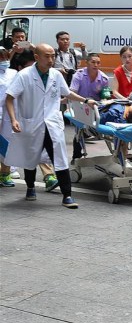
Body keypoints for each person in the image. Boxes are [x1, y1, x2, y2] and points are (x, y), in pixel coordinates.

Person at [5, 44, 97, 208]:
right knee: (30, 158)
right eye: (47, 56)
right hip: (32, 123)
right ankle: (31, 187)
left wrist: (85, 100)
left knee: (60, 159)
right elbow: (10, 98)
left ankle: (67, 195)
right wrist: (13, 119)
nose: (51, 60)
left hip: (52, 123)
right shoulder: (24, 75)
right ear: (36, 57)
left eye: (53, 56)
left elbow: (67, 93)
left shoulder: (56, 75)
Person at [0, 46, 18, 187]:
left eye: (5, 57)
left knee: (6, 144)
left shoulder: (13, 73)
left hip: (8, 112)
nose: (4, 60)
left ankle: (5, 174)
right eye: (1, 58)